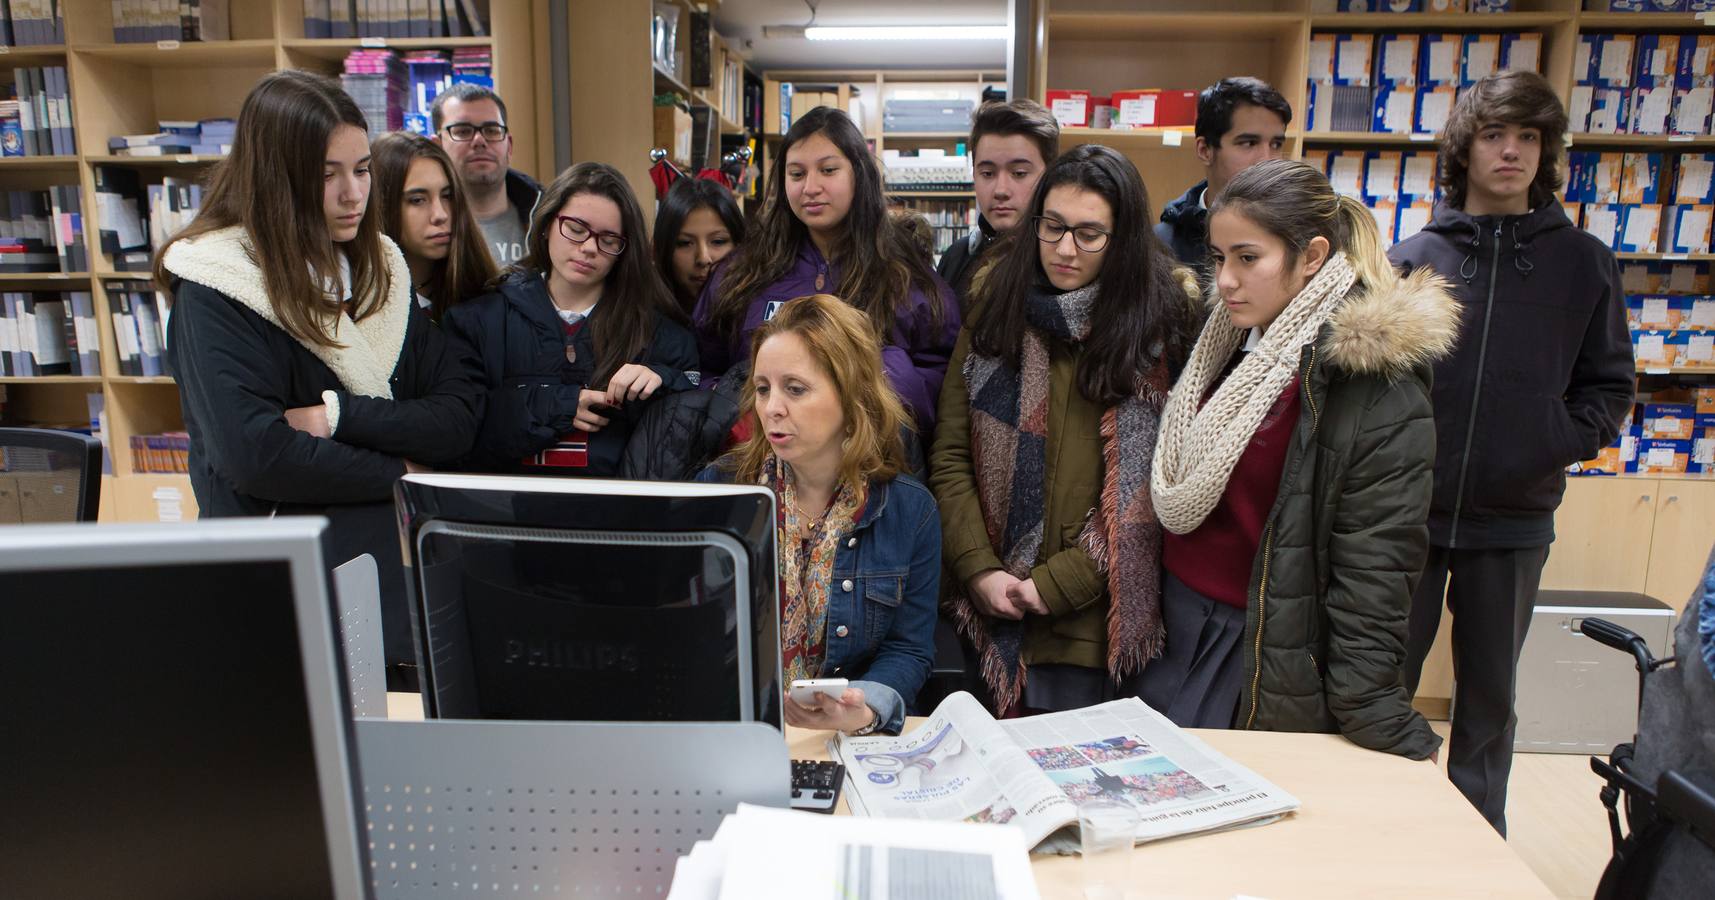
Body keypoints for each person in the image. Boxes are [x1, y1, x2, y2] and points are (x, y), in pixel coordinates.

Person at [156, 70, 483, 686]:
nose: (352, 193)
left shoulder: (379, 269)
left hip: (388, 588)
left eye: (361, 169)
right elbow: (256, 455)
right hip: (277, 595)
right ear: (276, 176)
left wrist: (337, 420)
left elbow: (457, 417)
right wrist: (403, 472)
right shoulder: (215, 288)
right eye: (327, 174)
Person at [1388, 70, 1635, 830]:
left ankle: (1476, 846)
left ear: (1546, 151)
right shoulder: (1412, 257)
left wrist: (1550, 443)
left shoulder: (1583, 262)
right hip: (1409, 515)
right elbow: (1378, 391)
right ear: (1464, 149)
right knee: (1383, 685)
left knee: (1489, 698)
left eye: (1528, 137)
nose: (1511, 151)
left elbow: (1609, 386)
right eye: (1495, 135)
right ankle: (1380, 826)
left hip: (1516, 517)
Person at [1148, 158, 1452, 759]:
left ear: (1312, 257)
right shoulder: (1226, 341)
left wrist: (1370, 707)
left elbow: (1376, 565)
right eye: (1217, 259)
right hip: (1175, 623)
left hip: (1259, 642)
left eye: (1248, 258)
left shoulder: (1370, 383)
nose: (1226, 281)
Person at [931, 144, 1199, 716]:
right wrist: (978, 567)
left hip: (1090, 629)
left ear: (1122, 236)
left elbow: (1151, 487)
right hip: (988, 614)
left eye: (1088, 234)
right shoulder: (994, 306)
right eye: (1052, 227)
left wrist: (1057, 585)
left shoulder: (1158, 326)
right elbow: (951, 453)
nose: (1065, 250)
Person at [696, 293, 940, 736]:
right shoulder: (717, 490)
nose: (772, 408)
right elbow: (689, 633)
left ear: (852, 396)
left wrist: (866, 707)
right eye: (764, 388)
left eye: (795, 389)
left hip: (847, 739)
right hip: (739, 730)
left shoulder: (909, 510)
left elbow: (909, 650)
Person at [694, 105, 960, 437]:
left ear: (858, 174)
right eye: (797, 174)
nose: (810, 187)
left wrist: (876, 377)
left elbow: (943, 376)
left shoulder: (905, 274)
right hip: (759, 458)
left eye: (828, 170)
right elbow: (704, 364)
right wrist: (735, 404)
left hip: (870, 462)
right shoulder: (745, 271)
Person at [444, 161, 698, 477]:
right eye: (576, 229)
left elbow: (696, 428)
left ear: (625, 250)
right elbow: (457, 430)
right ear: (547, 224)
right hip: (501, 514)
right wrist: (558, 405)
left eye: (608, 240)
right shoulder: (479, 321)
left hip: (617, 518)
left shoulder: (661, 336)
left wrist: (664, 383)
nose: (589, 248)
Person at [1154, 77, 1291, 267]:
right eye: (1249, 143)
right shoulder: (1162, 246)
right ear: (1205, 150)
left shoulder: (1299, 238)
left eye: (1276, 144)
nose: (1267, 159)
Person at [938, 99, 1059, 308]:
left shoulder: (1063, 261)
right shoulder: (956, 258)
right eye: (987, 173)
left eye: (1019, 173)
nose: (1001, 190)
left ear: (1050, 175)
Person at [369, 131, 498, 321]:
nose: (440, 214)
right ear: (382, 205)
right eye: (418, 200)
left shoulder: (489, 298)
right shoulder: (361, 308)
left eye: (447, 196)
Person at [431, 83, 542, 267]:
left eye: (492, 130)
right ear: (437, 146)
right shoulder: (422, 230)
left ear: (509, 146)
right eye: (463, 131)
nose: (480, 141)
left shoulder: (547, 220)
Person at [652, 176, 746, 316]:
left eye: (718, 241)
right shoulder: (641, 322)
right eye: (684, 243)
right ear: (661, 248)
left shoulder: (761, 318)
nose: (703, 258)